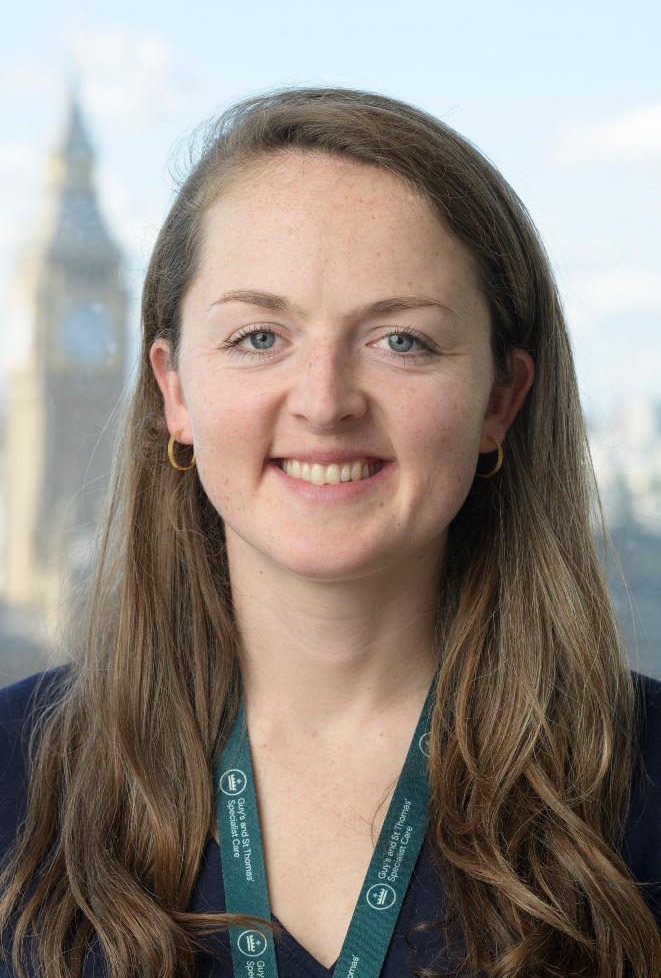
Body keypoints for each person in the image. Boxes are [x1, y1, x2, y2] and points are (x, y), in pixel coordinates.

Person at [1, 88, 661, 978]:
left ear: (499, 400)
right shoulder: (17, 776)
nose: (323, 399)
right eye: (259, 334)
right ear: (175, 389)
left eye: (400, 341)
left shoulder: (644, 788)